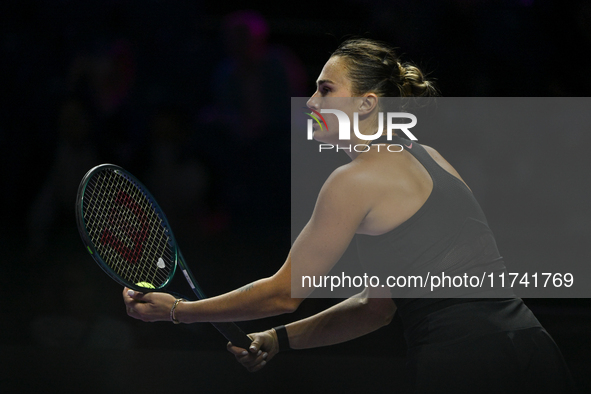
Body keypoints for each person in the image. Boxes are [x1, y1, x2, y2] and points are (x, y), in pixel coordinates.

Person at [123, 38, 576, 393]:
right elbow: (375, 308)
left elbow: (283, 293)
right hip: (530, 347)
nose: (311, 105)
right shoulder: (432, 158)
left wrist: (179, 312)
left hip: (465, 362)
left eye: (326, 89)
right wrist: (277, 339)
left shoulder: (353, 180)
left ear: (367, 103)